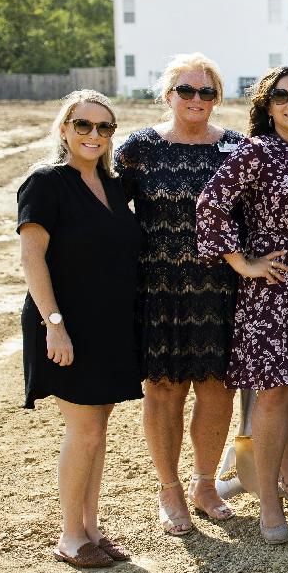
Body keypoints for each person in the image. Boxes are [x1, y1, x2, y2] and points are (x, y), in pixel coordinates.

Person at [196, 66, 288, 545]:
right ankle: (268, 502)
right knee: (275, 391)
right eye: (280, 96)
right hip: (275, 286)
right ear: (267, 105)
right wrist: (243, 263)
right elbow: (210, 204)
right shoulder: (257, 152)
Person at [116, 53, 244, 536]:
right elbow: (108, 210)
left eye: (206, 92)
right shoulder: (140, 149)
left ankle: (205, 483)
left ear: (217, 98)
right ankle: (169, 490)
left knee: (217, 390)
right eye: (186, 91)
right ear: (167, 95)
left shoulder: (235, 147)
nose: (196, 100)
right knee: (164, 391)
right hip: (157, 291)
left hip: (220, 290)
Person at [18, 90, 142, 569]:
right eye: (84, 125)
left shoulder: (113, 187)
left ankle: (91, 528)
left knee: (97, 430)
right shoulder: (45, 184)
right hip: (65, 324)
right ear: (64, 129)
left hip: (108, 326)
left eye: (105, 127)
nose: (94, 135)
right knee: (84, 429)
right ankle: (70, 536)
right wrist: (54, 325)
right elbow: (31, 259)